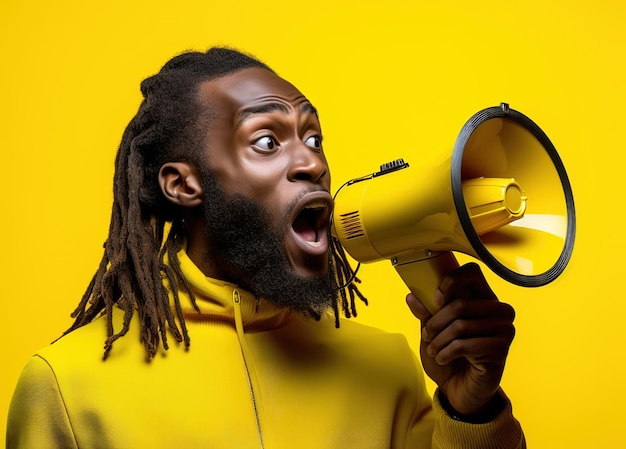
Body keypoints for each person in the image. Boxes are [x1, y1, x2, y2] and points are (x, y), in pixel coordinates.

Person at [6, 47, 525, 448]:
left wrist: (472, 414)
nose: (311, 163)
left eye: (314, 138)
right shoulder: (67, 386)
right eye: (267, 141)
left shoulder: (388, 368)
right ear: (182, 185)